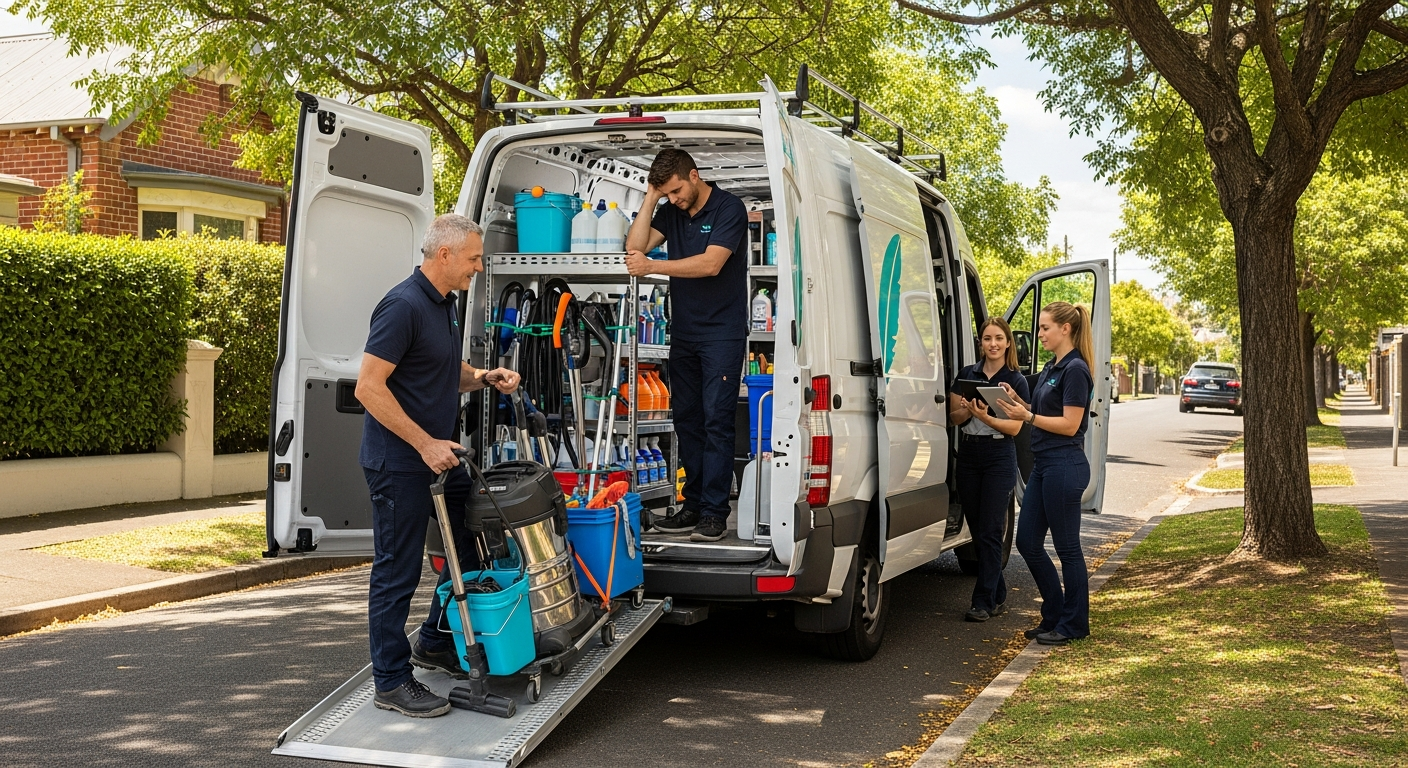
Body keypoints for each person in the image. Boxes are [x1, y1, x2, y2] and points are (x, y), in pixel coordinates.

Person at [356, 214, 522, 717]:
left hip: (439, 459)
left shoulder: (445, 305)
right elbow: (369, 387)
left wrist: (483, 376)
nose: (479, 266)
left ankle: (433, 639)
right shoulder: (403, 305)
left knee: (467, 553)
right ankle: (390, 681)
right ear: (444, 254)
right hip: (400, 463)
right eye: (473, 258)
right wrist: (425, 442)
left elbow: (443, 372)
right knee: (397, 571)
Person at [624, 148, 748, 543]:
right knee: (688, 422)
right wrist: (650, 197)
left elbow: (710, 264)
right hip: (685, 334)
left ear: (694, 176)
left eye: (676, 190)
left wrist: (654, 267)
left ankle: (714, 513)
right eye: (667, 194)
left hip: (722, 334)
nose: (674, 199)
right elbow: (634, 246)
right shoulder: (671, 209)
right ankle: (692, 505)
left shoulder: (730, 209)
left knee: (717, 422)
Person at [991, 301, 1095, 646]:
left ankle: (1074, 624)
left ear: (1066, 328)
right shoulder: (1054, 366)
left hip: (1065, 465)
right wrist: (1020, 404)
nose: (1040, 334)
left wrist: (1028, 417)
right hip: (1044, 465)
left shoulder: (1076, 369)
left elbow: (1070, 424)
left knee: (1068, 549)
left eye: (1045, 328)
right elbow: (1043, 410)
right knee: (1027, 542)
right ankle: (1054, 613)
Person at [948, 317, 1030, 622]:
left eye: (998, 338)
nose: (992, 344)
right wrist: (968, 411)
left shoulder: (1015, 381)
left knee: (992, 529)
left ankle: (982, 601)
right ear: (980, 343)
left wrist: (985, 417)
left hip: (999, 455)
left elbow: (1014, 427)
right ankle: (998, 593)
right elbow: (954, 417)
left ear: (1008, 342)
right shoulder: (967, 375)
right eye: (987, 338)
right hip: (969, 454)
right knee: (979, 532)